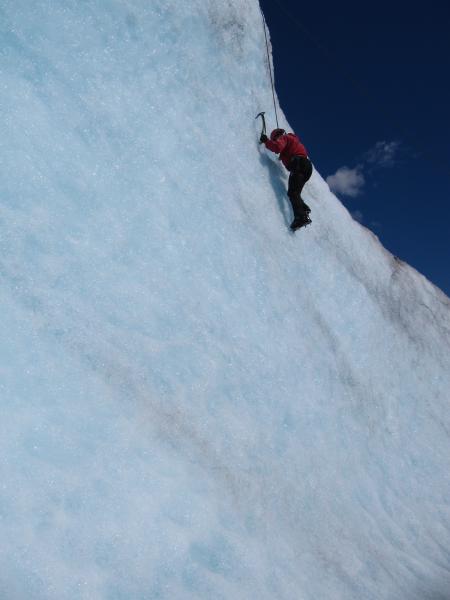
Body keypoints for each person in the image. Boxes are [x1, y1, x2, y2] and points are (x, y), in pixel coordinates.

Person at [260, 128, 313, 231]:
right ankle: (304, 209)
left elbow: (278, 147)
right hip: (306, 167)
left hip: (298, 164)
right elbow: (284, 150)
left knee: (292, 193)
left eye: (275, 139)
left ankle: (300, 217)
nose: (276, 140)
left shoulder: (284, 138)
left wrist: (266, 141)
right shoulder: (293, 141)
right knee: (295, 192)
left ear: (277, 136)